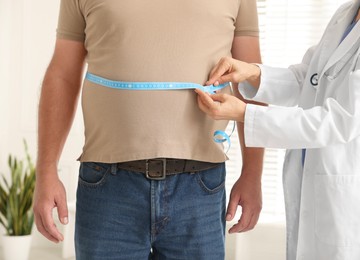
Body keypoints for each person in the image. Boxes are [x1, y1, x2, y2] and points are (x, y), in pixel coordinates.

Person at [33, 0, 263, 259]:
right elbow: (62, 74)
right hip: (108, 185)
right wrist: (46, 171)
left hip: (199, 187)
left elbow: (252, 81)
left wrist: (253, 174)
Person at [195, 0, 360, 259]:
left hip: (356, 206)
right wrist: (253, 73)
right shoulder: (348, 12)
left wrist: (245, 113)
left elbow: (340, 119)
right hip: (320, 191)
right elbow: (311, 79)